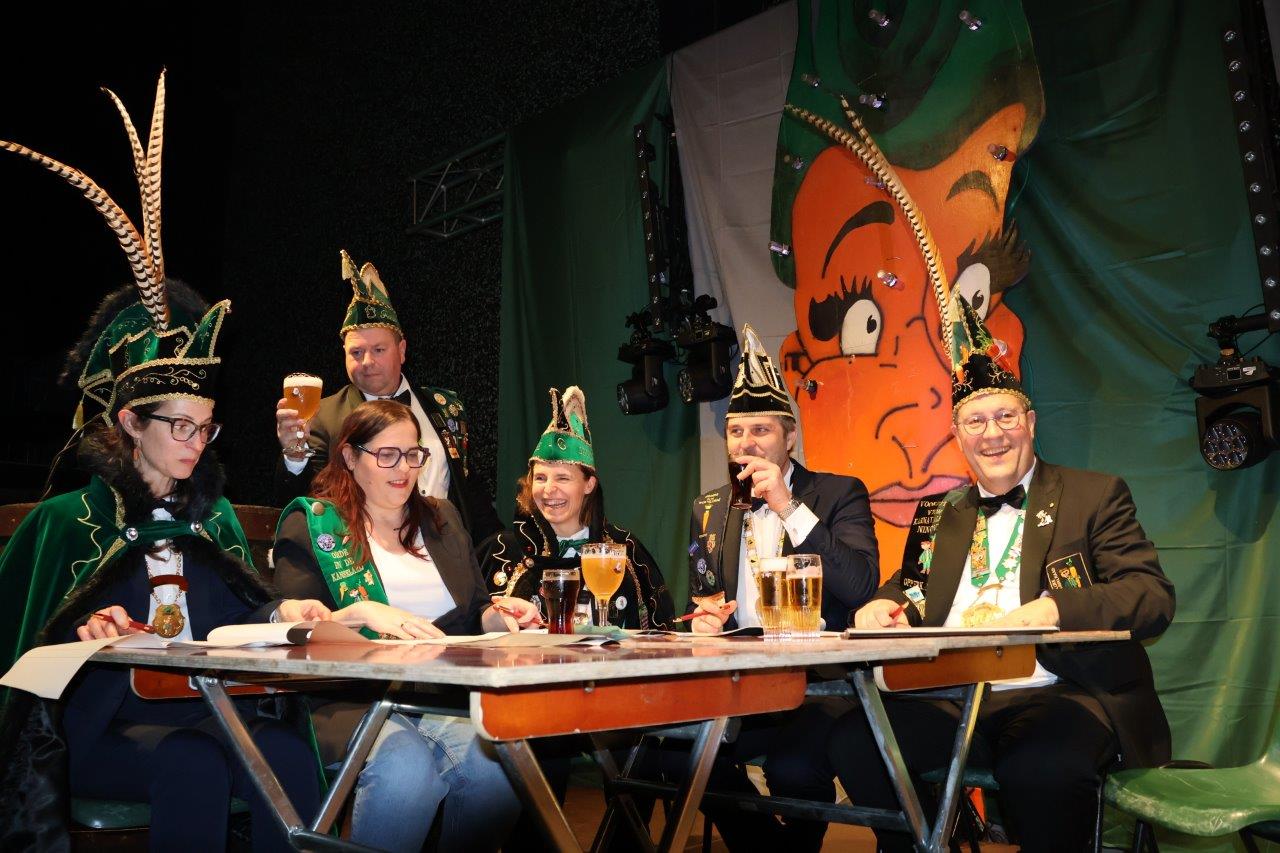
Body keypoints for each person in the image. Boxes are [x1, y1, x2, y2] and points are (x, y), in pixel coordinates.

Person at [0, 72, 328, 852]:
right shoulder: (66, 523)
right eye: (179, 425)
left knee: (288, 751)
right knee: (192, 762)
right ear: (129, 421)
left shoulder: (214, 519)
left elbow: (240, 625)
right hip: (100, 725)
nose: (194, 442)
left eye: (207, 428)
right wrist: (84, 631)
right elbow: (25, 660)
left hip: (206, 709)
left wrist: (284, 615)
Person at [835, 296, 1176, 851]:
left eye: (1006, 417)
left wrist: (1054, 609)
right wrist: (882, 603)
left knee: (1040, 769)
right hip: (953, 695)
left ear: (1030, 423)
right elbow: (912, 585)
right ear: (957, 435)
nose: (992, 434)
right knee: (859, 741)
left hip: (1059, 692)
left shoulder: (1094, 495)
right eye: (975, 421)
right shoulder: (939, 510)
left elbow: (1151, 596)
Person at [272, 399, 540, 853]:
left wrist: (500, 615)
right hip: (350, 697)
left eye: (413, 454)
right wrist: (358, 613)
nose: (403, 468)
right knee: (405, 768)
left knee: (500, 762)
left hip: (440, 693)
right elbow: (293, 631)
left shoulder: (441, 517)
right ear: (350, 457)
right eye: (387, 455)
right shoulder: (314, 524)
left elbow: (475, 610)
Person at [682, 323, 879, 850]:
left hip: (818, 685)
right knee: (678, 752)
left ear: (789, 437)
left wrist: (788, 508)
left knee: (793, 768)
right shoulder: (708, 507)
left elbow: (861, 586)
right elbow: (698, 598)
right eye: (736, 431)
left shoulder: (838, 493)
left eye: (761, 430)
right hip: (737, 681)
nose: (746, 443)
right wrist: (704, 620)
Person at [272, 250, 503, 542]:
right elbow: (300, 503)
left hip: (444, 553)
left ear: (402, 350)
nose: (367, 361)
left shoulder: (445, 408)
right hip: (363, 556)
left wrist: (499, 548)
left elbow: (470, 493)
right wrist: (294, 456)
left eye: (379, 350)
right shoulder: (322, 415)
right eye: (356, 352)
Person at [484, 386, 674, 630]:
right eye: (540, 478)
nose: (548, 489)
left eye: (562, 478)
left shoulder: (624, 551)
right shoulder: (502, 551)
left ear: (588, 485)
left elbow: (660, 633)